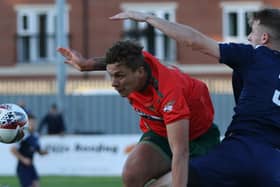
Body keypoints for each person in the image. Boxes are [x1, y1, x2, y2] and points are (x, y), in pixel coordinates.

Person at [109, 7, 280, 187]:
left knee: (171, 182)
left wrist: (150, 19)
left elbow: (194, 41)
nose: (248, 38)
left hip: (238, 152)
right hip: (273, 163)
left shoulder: (255, 55)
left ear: (264, 38)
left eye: (252, 32)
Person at [57, 40, 220, 187]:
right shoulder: (136, 65)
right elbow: (116, 63)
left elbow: (181, 152)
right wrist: (87, 65)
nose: (113, 83)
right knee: (131, 174)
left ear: (140, 72)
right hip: (161, 133)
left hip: (197, 138)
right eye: (111, 76)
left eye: (119, 76)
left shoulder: (168, 93)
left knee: (177, 181)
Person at [11, 114, 48, 187]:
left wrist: (43, 152)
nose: (33, 124)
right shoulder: (23, 135)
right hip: (22, 167)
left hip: (31, 166)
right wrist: (23, 159)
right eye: (31, 122)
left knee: (36, 184)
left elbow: (37, 149)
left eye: (34, 122)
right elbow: (13, 150)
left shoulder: (36, 135)